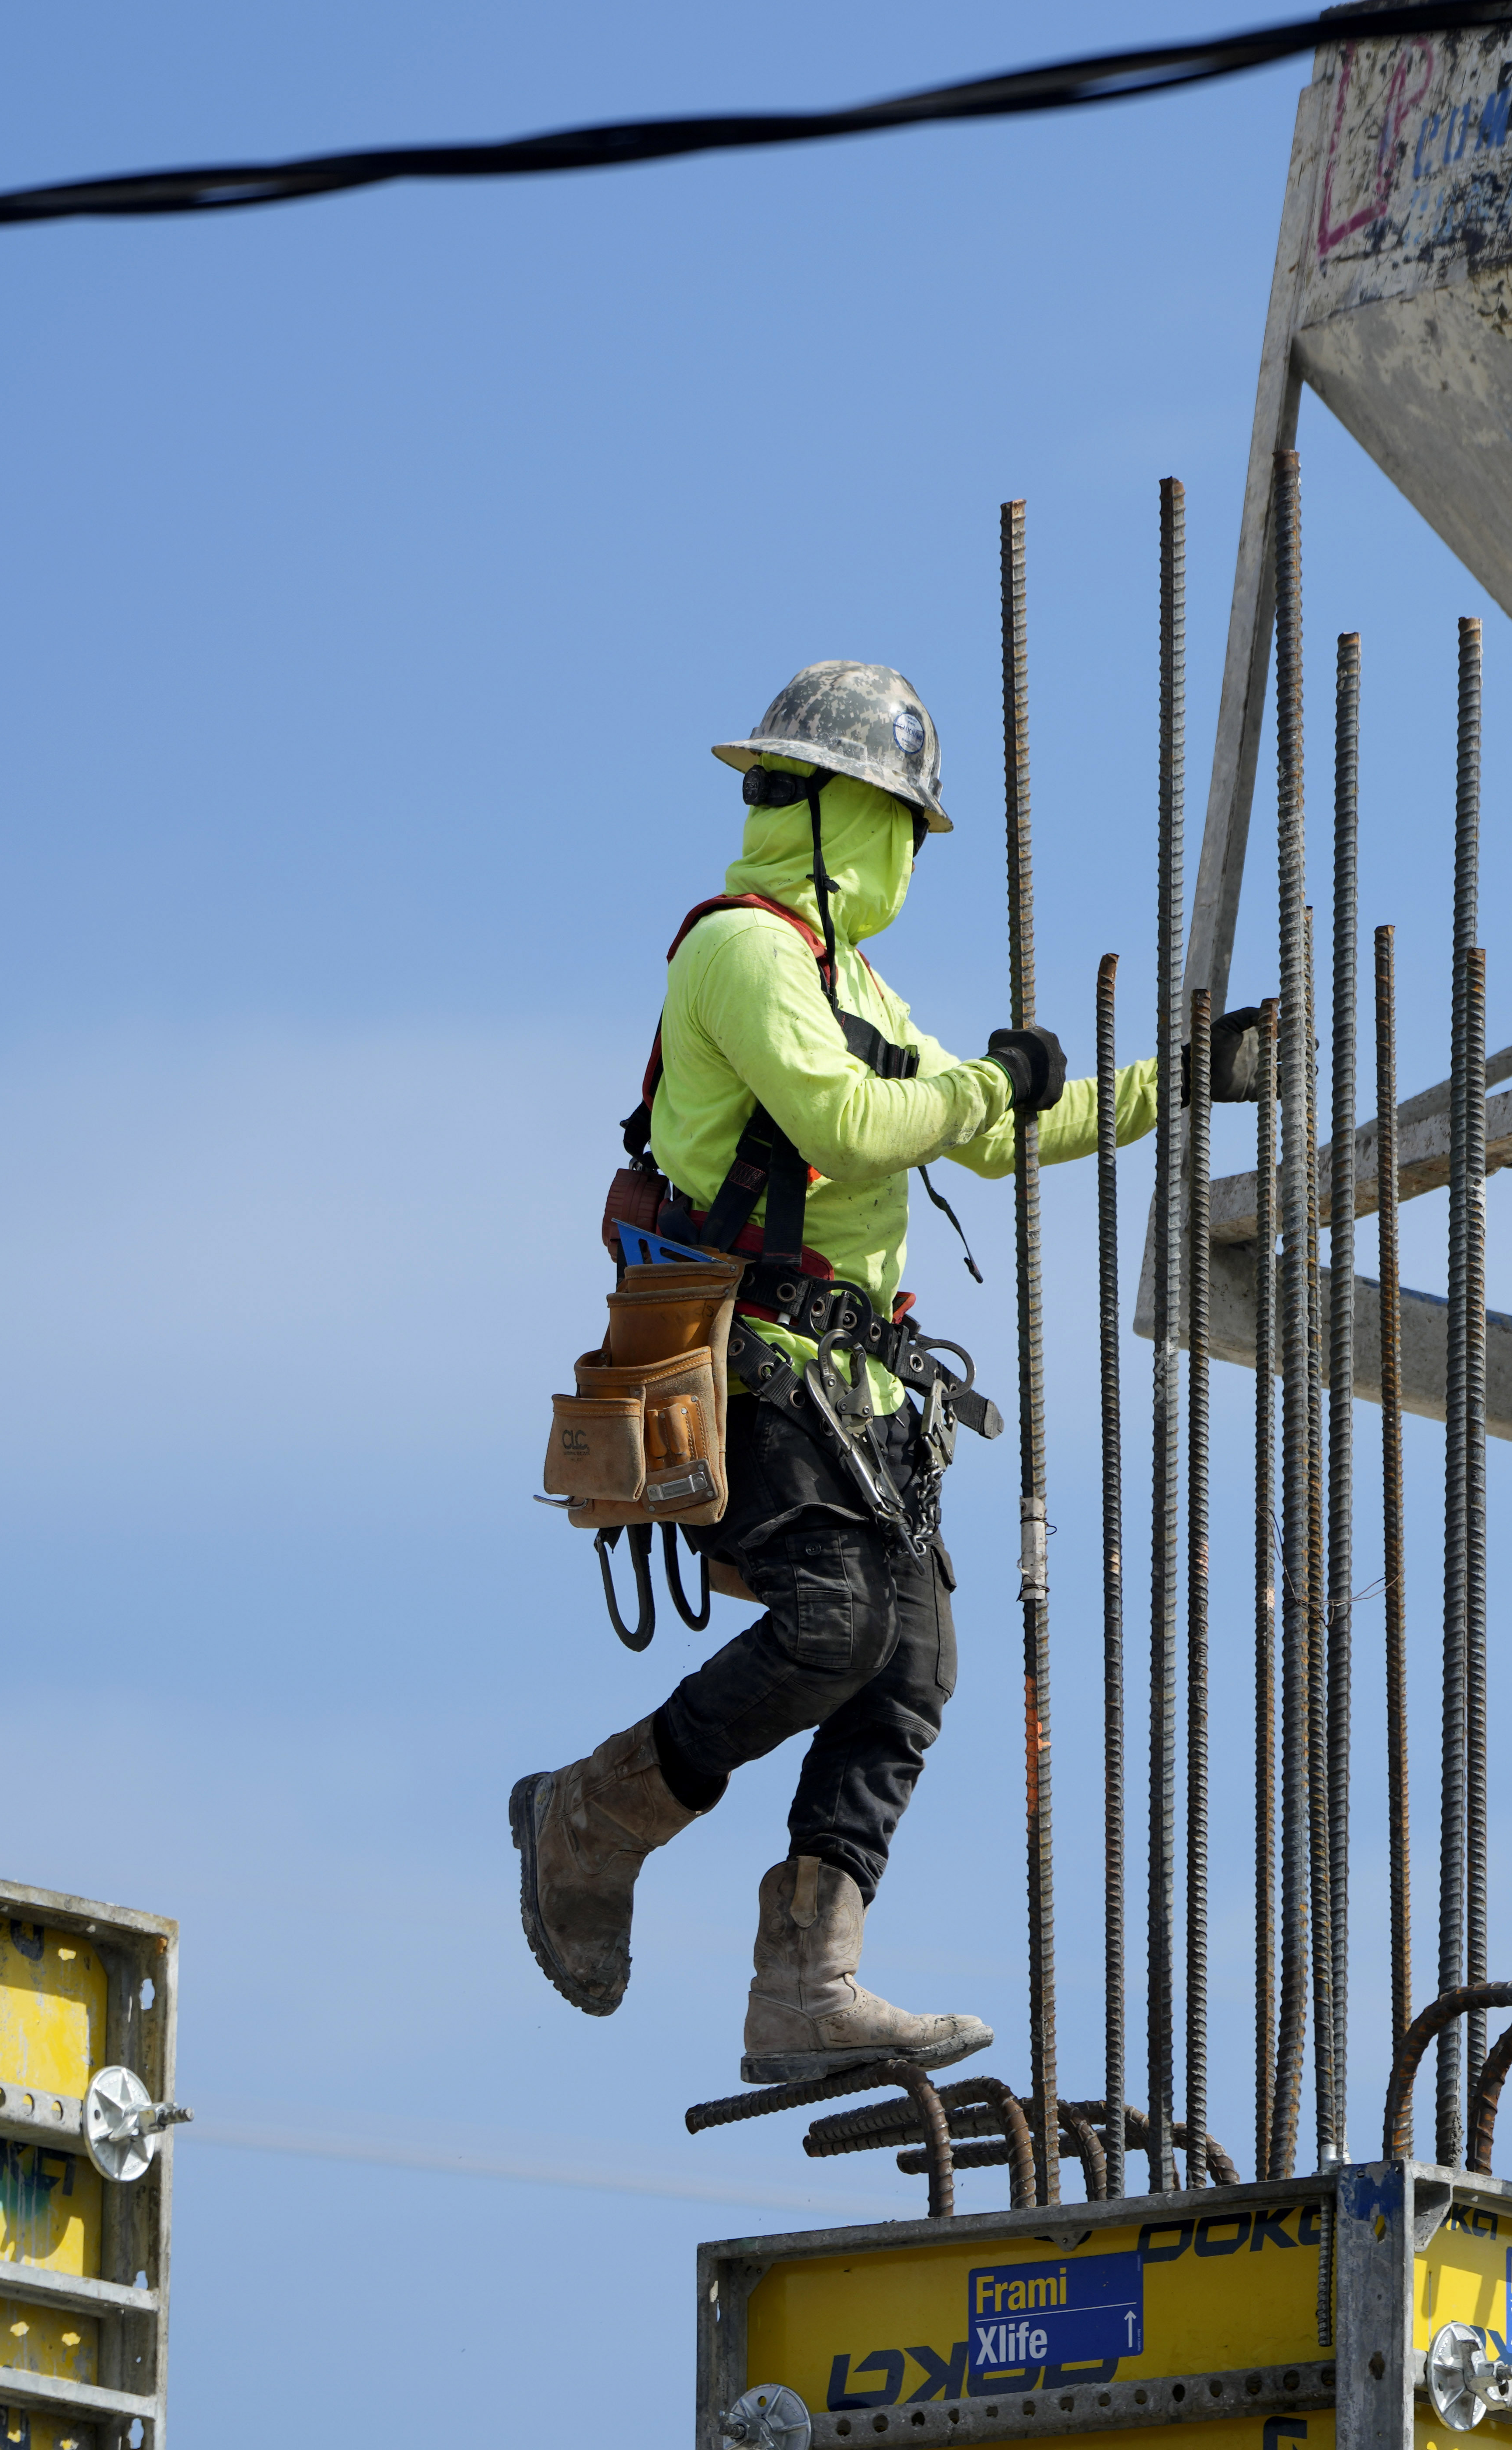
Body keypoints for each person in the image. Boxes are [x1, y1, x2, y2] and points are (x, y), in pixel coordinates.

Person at [510, 660, 1155, 2085]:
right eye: (897, 828)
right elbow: (854, 1123)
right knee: (835, 1624)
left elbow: (984, 1135)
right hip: (747, 1361)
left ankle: (807, 1976)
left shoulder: (849, 980)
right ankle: (590, 1814)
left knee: (909, 1660)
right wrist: (989, 1081)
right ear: (829, 814)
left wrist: (1177, 1084)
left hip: (857, 1391)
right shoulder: (740, 954)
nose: (905, 858)